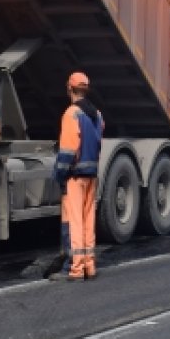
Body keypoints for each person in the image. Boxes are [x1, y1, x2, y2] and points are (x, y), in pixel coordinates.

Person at [52, 72, 104, 281]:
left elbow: (68, 150)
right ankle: (89, 266)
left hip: (75, 177)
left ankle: (74, 269)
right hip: (92, 175)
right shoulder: (97, 115)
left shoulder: (71, 114)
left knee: (74, 222)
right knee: (88, 220)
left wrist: (59, 174)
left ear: (69, 89)